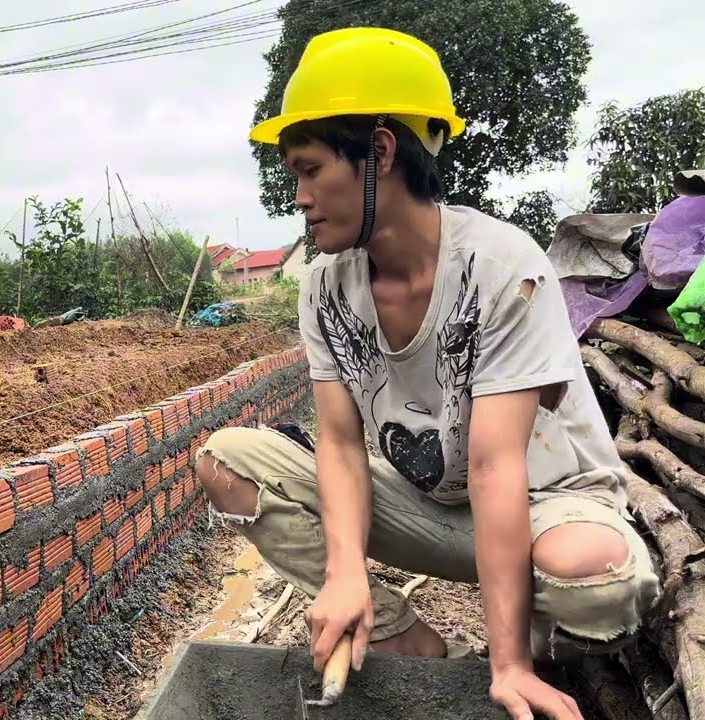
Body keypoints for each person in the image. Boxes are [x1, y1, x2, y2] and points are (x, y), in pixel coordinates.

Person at [196, 27, 661, 720]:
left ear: (380, 151)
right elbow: (343, 444)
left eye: (310, 168)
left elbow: (498, 467)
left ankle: (528, 650)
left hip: (542, 505)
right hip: (430, 503)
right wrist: (347, 573)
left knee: (592, 575)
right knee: (226, 462)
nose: (298, 196)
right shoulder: (324, 287)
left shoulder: (501, 270)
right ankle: (405, 641)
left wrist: (506, 664)